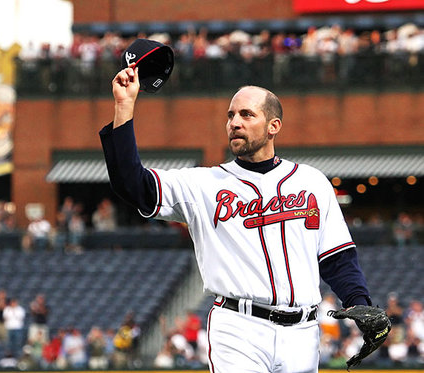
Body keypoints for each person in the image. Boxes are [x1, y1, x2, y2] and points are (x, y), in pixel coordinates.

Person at [99, 65, 377, 372]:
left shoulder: (312, 182)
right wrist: (124, 107)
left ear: (274, 126)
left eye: (246, 115)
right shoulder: (204, 184)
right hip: (239, 328)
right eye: (231, 116)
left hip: (303, 332)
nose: (234, 123)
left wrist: (358, 301)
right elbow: (131, 184)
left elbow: (337, 257)